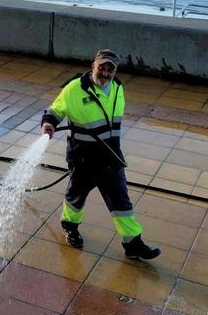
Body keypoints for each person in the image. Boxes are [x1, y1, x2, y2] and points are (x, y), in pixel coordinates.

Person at [41, 49, 161, 260]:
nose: (105, 74)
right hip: (83, 158)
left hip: (110, 157)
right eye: (101, 68)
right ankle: (70, 226)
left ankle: (133, 243)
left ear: (115, 71)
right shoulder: (75, 88)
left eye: (110, 70)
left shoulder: (117, 88)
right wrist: (49, 124)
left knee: (121, 202)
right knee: (76, 197)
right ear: (93, 66)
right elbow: (55, 110)